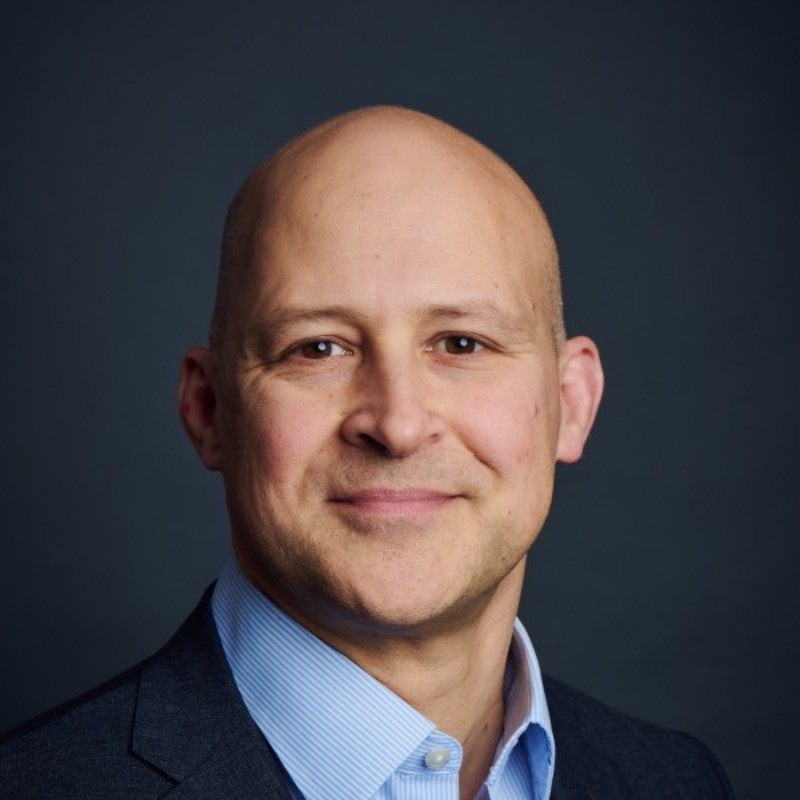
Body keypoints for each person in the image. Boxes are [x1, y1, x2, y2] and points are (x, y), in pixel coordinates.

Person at [0, 106, 736, 799]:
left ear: (571, 405)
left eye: (462, 343)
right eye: (317, 348)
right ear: (210, 411)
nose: (398, 425)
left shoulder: (677, 781)